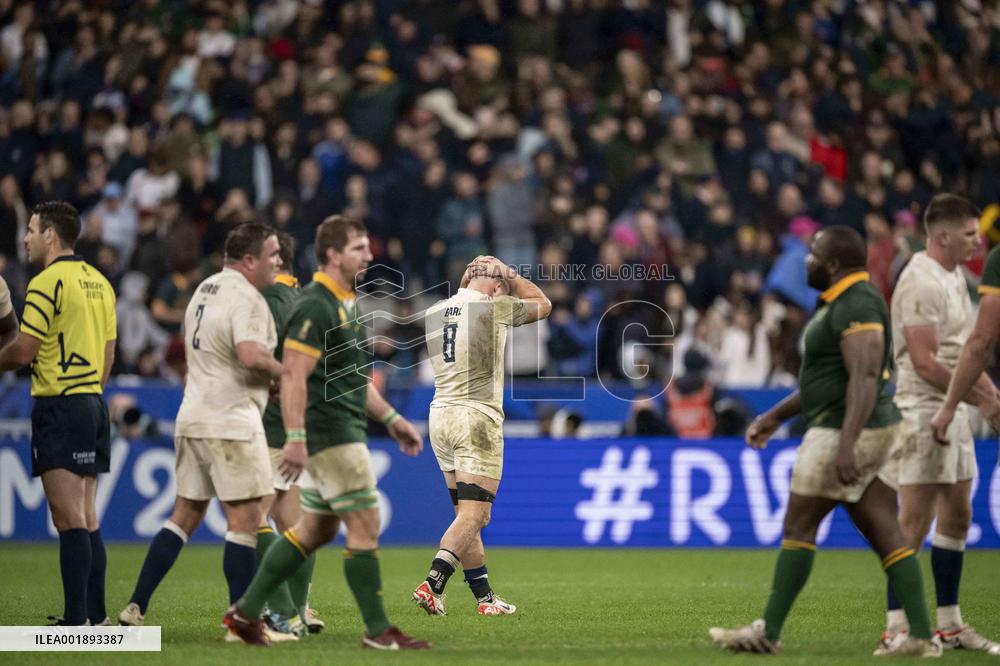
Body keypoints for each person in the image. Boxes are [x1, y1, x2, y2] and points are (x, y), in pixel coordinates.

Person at [708, 226, 940, 657]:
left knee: (799, 526)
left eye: (813, 254)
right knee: (885, 530)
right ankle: (923, 635)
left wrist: (847, 443)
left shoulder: (858, 303)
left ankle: (769, 631)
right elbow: (826, 381)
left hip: (842, 430)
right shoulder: (845, 302)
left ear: (833, 264)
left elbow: (865, 376)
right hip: (858, 427)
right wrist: (775, 416)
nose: (807, 262)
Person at [224, 215, 430, 649]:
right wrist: (296, 437)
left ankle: (245, 613)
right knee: (366, 521)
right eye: (358, 248)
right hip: (330, 432)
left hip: (346, 427)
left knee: (314, 529)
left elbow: (353, 379)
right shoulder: (314, 304)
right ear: (333, 254)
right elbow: (294, 376)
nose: (369, 255)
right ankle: (377, 632)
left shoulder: (346, 304)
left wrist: (392, 420)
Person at [118, 224, 284, 634]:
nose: (279, 261)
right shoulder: (248, 298)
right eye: (273, 254)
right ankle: (240, 621)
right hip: (229, 420)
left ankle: (136, 605)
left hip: (192, 415)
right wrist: (288, 374)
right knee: (245, 520)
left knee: (184, 515)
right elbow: (249, 353)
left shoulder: (203, 290)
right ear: (249, 261)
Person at [882, 194, 1000, 653]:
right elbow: (926, 362)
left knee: (958, 512)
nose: (979, 240)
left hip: (954, 404)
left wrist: (983, 395)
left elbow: (962, 352)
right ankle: (896, 628)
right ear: (944, 235)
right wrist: (984, 396)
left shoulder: (954, 276)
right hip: (922, 408)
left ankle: (949, 625)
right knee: (912, 521)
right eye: (971, 234)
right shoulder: (920, 281)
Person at [412, 255, 551, 616]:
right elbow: (543, 305)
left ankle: (485, 599)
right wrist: (508, 274)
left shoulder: (435, 311)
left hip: (440, 415)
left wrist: (475, 270)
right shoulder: (494, 308)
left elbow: (464, 292)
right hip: (475, 418)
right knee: (476, 517)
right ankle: (433, 583)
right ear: (494, 288)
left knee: (465, 514)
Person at [0, 201, 115, 626]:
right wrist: (88, 395)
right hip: (92, 403)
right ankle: (96, 618)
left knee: (68, 519)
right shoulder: (100, 283)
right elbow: (108, 355)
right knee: (86, 515)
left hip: (60, 405)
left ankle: (76, 622)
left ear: (51, 235)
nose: (25, 238)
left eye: (31, 230)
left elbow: (25, 350)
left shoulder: (46, 282)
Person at [254, 231, 323, 636]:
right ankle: (302, 606)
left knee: (253, 517)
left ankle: (276, 611)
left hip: (267, 424)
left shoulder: (263, 302)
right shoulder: (313, 303)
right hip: (305, 424)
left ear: (274, 260)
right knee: (294, 523)